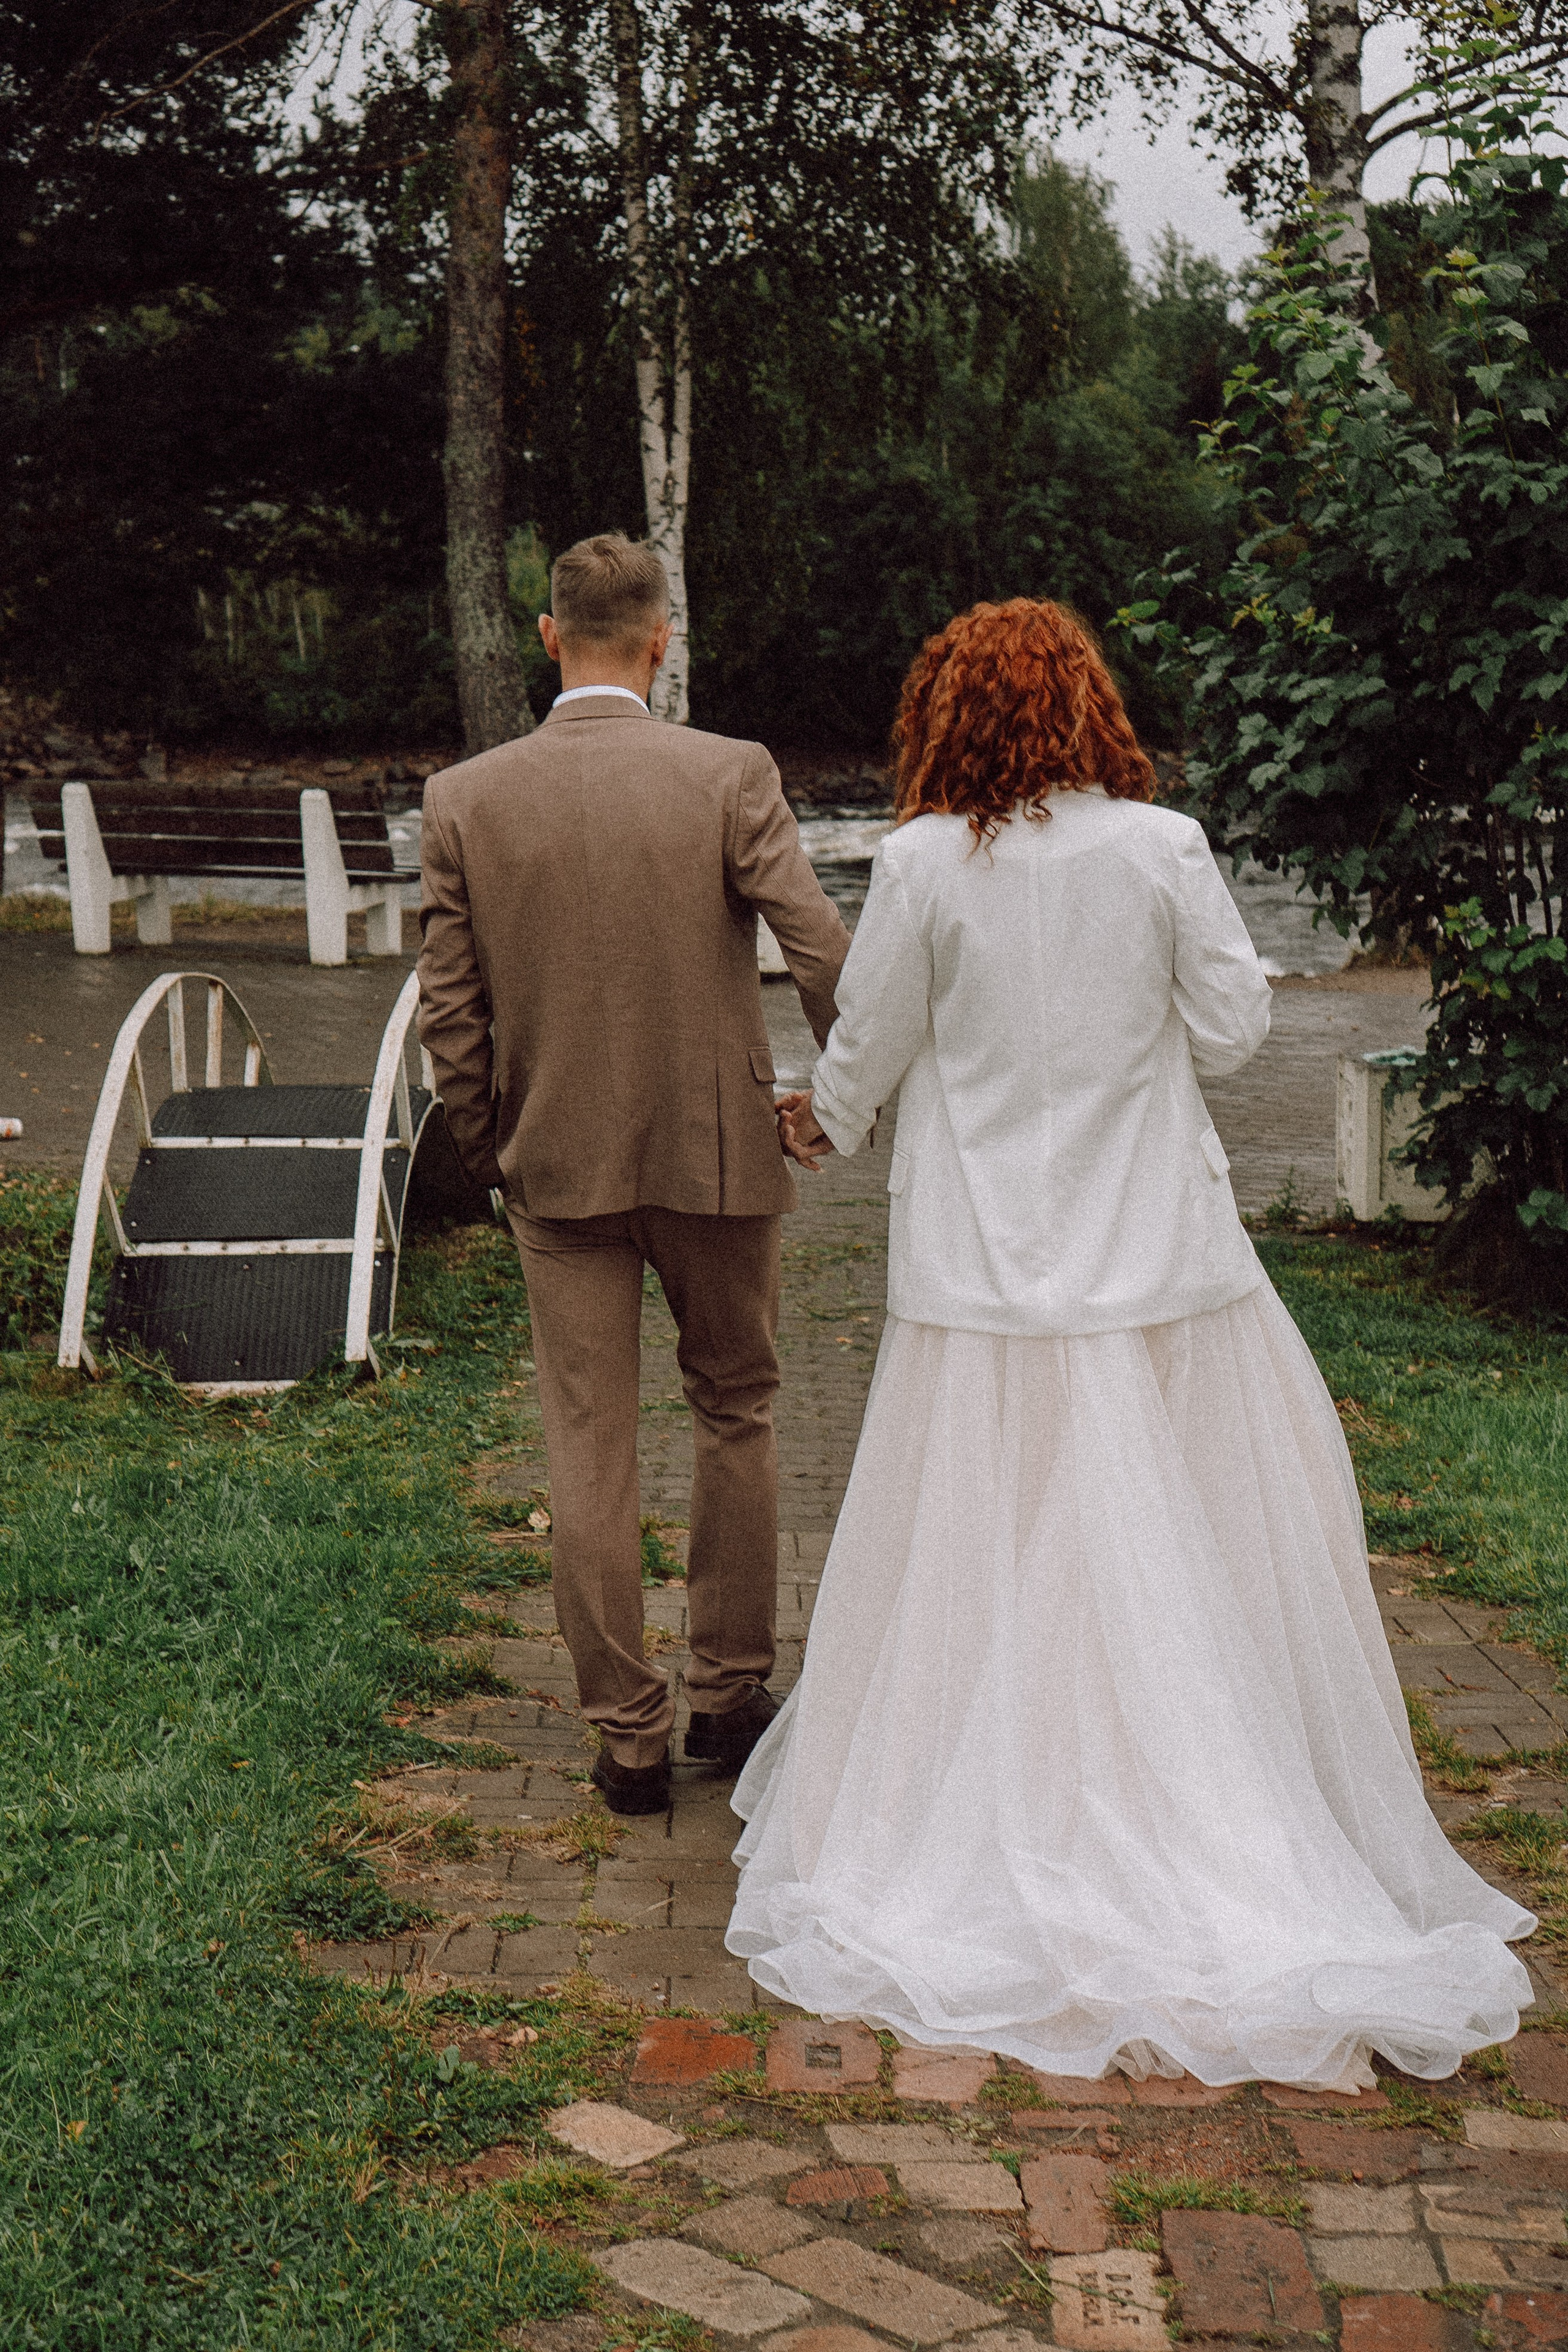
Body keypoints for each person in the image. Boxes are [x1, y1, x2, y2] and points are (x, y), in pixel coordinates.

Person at [728, 597, 1532, 2090]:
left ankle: (1007, 1792)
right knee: (1169, 1525)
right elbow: (1230, 1034)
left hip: (980, 1270)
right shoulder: (1162, 850)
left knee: (988, 1532)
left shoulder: (914, 865)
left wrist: (823, 1120)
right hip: (1155, 1252)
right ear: (1092, 708)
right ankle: (1187, 1791)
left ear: (943, 718)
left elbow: (873, 1036)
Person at [417, 532, 850, 1817]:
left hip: (553, 1161)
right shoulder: (728, 773)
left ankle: (625, 1739)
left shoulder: (466, 797)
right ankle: (728, 1696)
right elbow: (819, 947)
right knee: (737, 1406)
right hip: (715, 1156)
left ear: (549, 638)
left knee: (589, 1440)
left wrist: (485, 1138)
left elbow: (452, 1004)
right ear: (658, 639)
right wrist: (843, 1093)